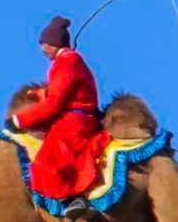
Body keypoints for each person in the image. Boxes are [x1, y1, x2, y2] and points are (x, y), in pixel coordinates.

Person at [9, 15, 107, 205]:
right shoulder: (67, 61)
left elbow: (55, 103)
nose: (42, 49)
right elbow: (61, 92)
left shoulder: (67, 61)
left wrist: (19, 121)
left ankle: (73, 200)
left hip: (74, 124)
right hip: (73, 119)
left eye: (44, 43)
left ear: (54, 42)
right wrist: (41, 93)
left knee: (48, 161)